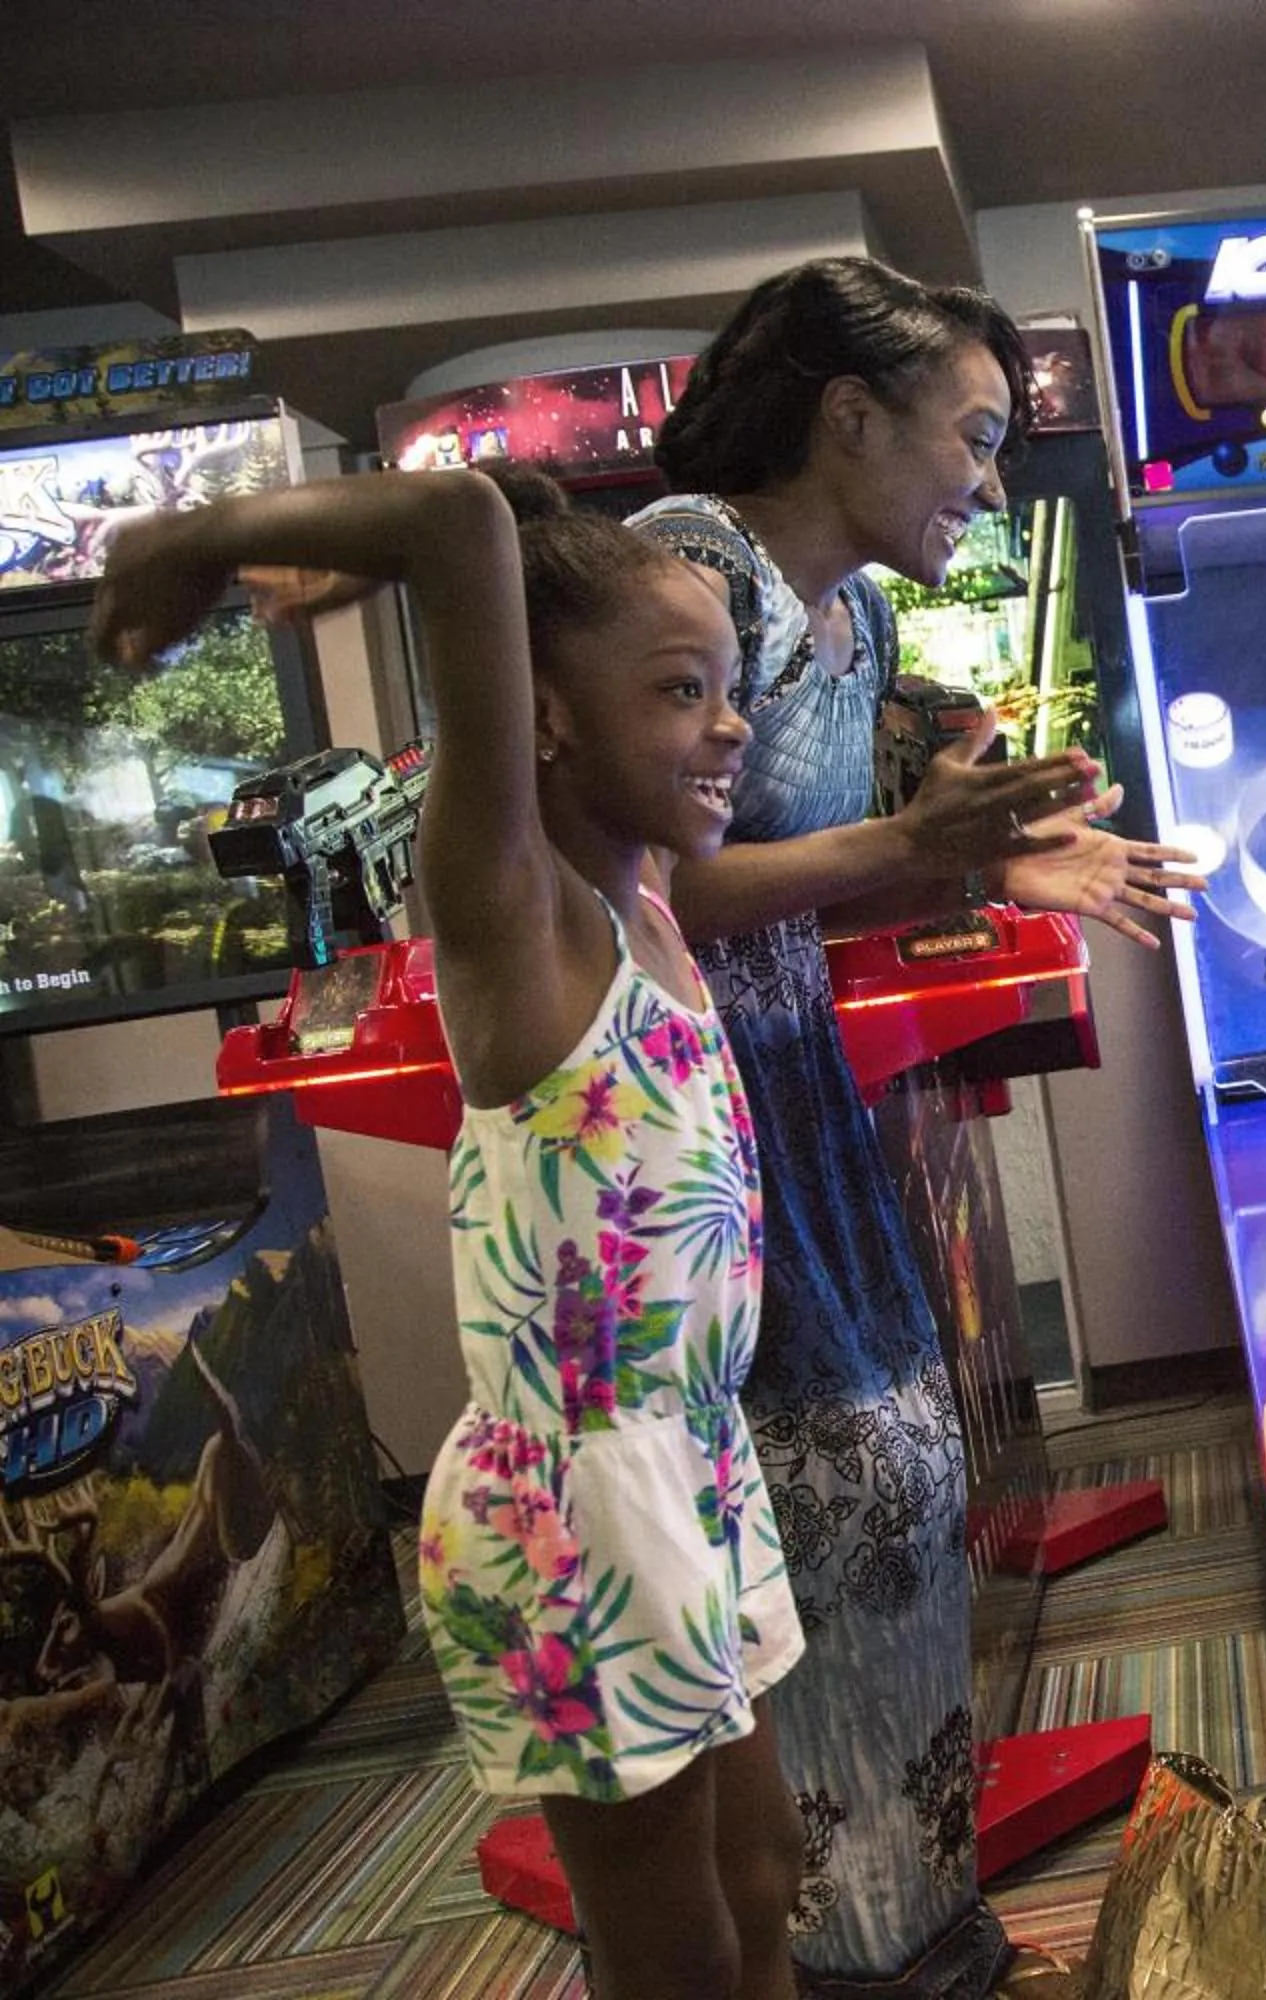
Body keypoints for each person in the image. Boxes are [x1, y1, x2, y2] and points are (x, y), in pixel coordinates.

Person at [93, 462, 810, 1999]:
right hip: (584, 1499)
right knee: (672, 1935)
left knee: (765, 1876)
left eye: (728, 687)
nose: (730, 725)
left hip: (694, 1456)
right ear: (546, 719)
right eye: (680, 690)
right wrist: (205, 536)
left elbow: (520, 527)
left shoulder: (645, 903)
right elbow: (463, 526)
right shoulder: (516, 916)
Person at [632, 257, 1203, 1995]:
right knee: (819, 1512)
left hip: (797, 1096)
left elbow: (809, 888)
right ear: (850, 416)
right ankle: (836, 1947)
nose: (993, 480)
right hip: (679, 1125)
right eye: (975, 433)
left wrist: (990, 864)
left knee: (898, 1485)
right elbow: (634, 888)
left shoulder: (855, 623)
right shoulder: (690, 573)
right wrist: (915, 846)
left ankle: (908, 1920)